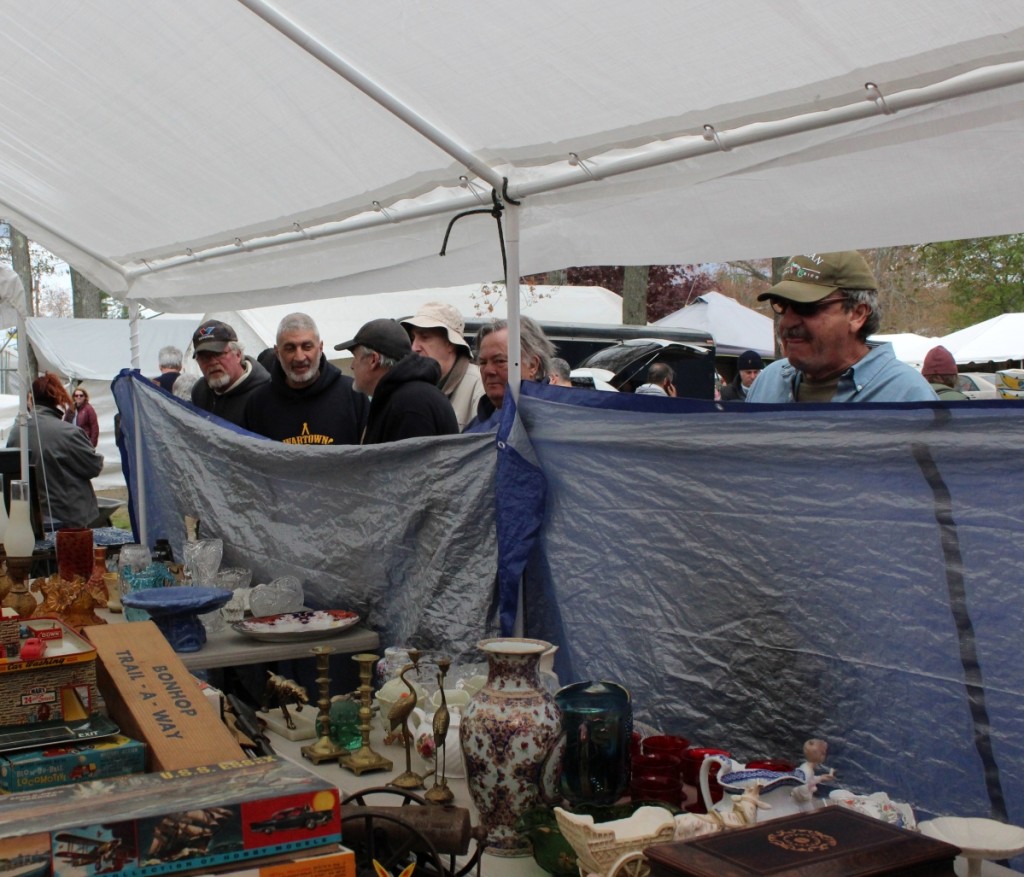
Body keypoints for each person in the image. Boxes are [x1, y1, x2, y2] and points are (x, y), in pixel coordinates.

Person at [746, 251, 938, 403]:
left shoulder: (908, 394)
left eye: (806, 306)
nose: (787, 322)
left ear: (857, 314)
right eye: (782, 306)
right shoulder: (767, 382)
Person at [244, 313, 368, 444]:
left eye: (307, 347)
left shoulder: (353, 394)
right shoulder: (258, 403)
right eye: (290, 348)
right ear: (277, 352)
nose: (299, 357)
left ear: (320, 348)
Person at [334, 318, 459, 444]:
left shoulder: (411, 403)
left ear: (373, 360)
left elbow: (410, 462)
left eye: (355, 357)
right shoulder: (403, 397)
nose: (352, 365)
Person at [7, 373, 104, 528]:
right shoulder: (68, 433)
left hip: (31, 518)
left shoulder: (17, 431)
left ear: (31, 398)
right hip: (69, 520)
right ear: (58, 399)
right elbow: (93, 467)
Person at [400, 302, 485, 431]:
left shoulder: (479, 385)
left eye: (424, 337)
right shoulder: (411, 387)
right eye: (413, 338)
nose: (414, 348)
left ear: (450, 343)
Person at [464, 316, 556, 432]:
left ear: (532, 365)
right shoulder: (473, 430)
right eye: (482, 362)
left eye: (500, 361)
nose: (488, 370)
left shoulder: (557, 425)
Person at [190, 319, 271, 426]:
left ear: (238, 354)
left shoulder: (266, 395)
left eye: (218, 354)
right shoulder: (199, 391)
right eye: (204, 357)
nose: (212, 362)